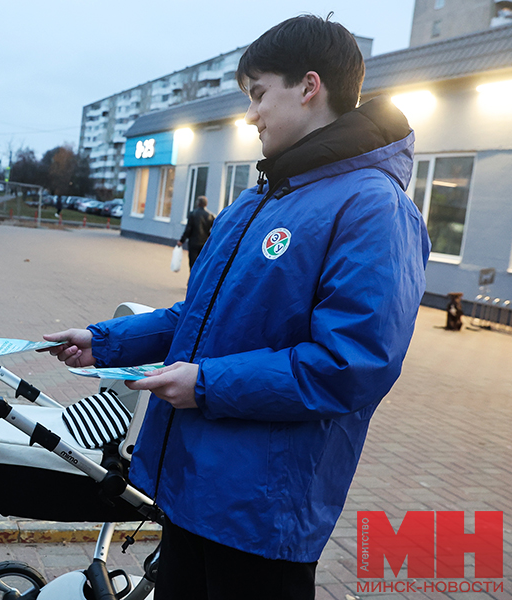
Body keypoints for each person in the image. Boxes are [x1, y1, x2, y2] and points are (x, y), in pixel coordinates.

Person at [44, 15, 429, 599]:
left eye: (258, 94)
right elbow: (198, 316)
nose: (250, 115)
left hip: (261, 513)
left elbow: (352, 365)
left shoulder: (373, 207)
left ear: (308, 86)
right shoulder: (257, 200)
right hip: (189, 487)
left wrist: (206, 385)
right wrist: (108, 341)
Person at [177, 195, 214, 270]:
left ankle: (192, 279)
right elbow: (213, 230)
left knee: (193, 263)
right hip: (204, 243)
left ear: (198, 203)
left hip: (193, 243)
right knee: (201, 263)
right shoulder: (210, 216)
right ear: (206, 204)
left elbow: (188, 229)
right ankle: (198, 280)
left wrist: (181, 241)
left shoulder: (193, 214)